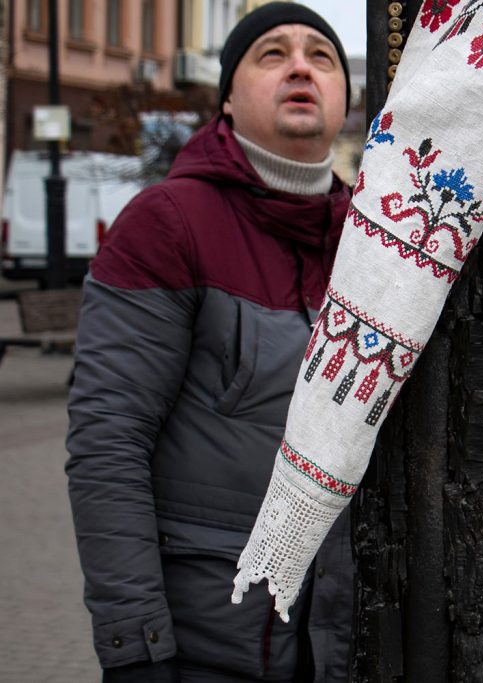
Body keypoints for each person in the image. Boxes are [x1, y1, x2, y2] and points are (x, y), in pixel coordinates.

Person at [65, 4, 355, 681]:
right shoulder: (168, 223)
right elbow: (108, 440)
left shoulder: (370, 245)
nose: (300, 66)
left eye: (321, 54)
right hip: (208, 647)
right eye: (272, 53)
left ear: (346, 98)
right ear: (227, 96)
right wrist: (135, 645)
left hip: (336, 648)